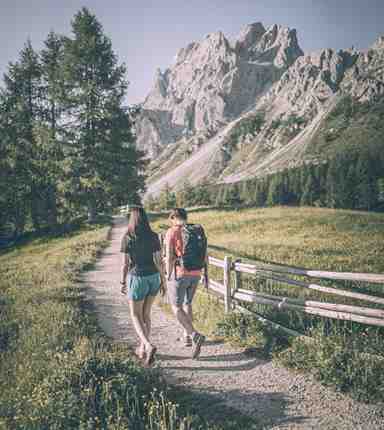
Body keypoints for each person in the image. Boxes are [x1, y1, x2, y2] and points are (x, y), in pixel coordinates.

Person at [120, 205, 165, 366]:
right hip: (153, 277)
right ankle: (142, 347)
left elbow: (125, 264)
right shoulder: (153, 236)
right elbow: (159, 261)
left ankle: (147, 344)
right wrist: (163, 281)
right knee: (146, 314)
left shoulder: (128, 237)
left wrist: (123, 282)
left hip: (137, 277)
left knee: (135, 315)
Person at [164, 208, 207, 358]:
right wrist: (204, 273)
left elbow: (169, 256)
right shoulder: (196, 230)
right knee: (188, 303)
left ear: (174, 217)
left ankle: (194, 335)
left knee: (176, 306)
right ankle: (187, 337)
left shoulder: (172, 232)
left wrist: (167, 274)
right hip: (196, 272)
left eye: (171, 218)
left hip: (180, 273)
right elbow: (204, 253)